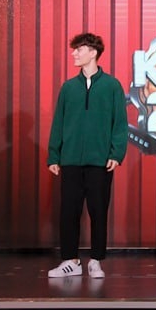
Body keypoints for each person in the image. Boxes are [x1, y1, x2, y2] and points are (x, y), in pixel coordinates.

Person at [47, 32, 128, 279]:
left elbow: (120, 123)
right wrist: (54, 155)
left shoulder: (112, 86)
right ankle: (70, 260)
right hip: (70, 160)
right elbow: (58, 122)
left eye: (79, 49)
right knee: (69, 212)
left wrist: (116, 153)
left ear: (93, 52)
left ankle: (96, 260)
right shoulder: (68, 87)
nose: (74, 53)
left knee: (98, 211)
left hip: (100, 161)